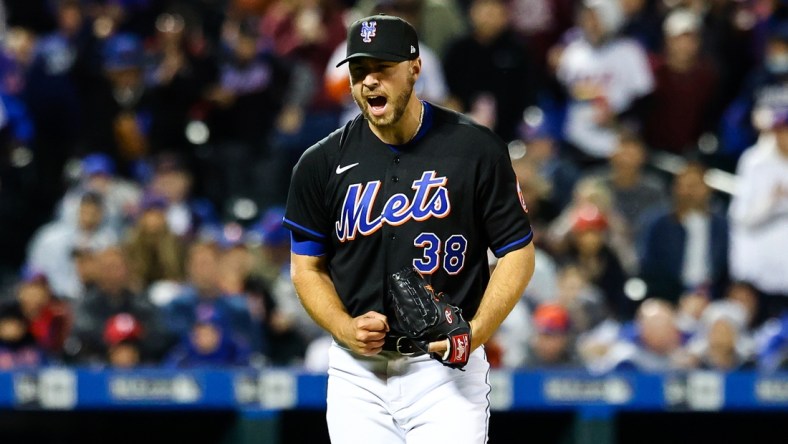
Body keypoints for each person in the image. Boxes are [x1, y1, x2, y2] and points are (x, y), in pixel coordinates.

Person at [283, 15, 536, 443]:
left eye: (383, 69)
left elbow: (518, 252)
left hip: (446, 371)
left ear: (415, 68)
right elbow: (306, 267)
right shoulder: (320, 162)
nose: (370, 82)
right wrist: (343, 327)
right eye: (360, 71)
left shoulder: (474, 148)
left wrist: (478, 331)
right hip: (357, 374)